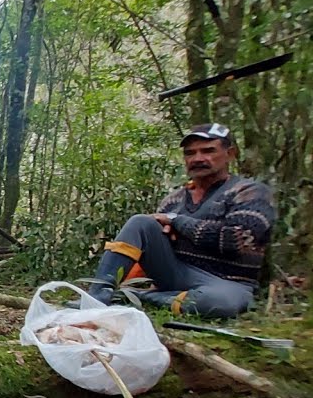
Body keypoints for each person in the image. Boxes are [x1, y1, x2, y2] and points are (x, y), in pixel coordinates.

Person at [86, 122, 276, 318]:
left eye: (208, 151)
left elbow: (235, 239)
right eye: (190, 153)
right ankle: (97, 297)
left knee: (218, 303)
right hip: (176, 274)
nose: (198, 158)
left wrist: (177, 222)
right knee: (141, 222)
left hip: (227, 283)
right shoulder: (173, 200)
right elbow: (156, 244)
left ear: (230, 154)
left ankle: (140, 298)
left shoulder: (250, 192)